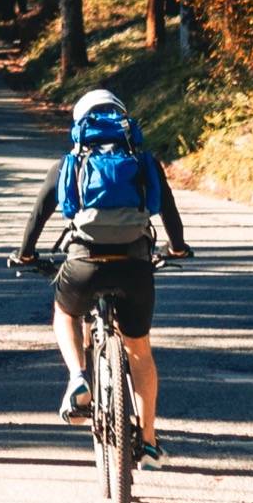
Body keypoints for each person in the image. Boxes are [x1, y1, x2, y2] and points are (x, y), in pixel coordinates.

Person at [16, 88, 191, 453]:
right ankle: (148, 443)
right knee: (140, 349)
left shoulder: (69, 163)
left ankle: (79, 377)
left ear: (81, 124)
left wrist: (26, 255)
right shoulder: (143, 161)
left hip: (84, 264)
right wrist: (176, 248)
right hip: (134, 265)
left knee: (64, 314)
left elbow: (38, 216)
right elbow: (168, 212)